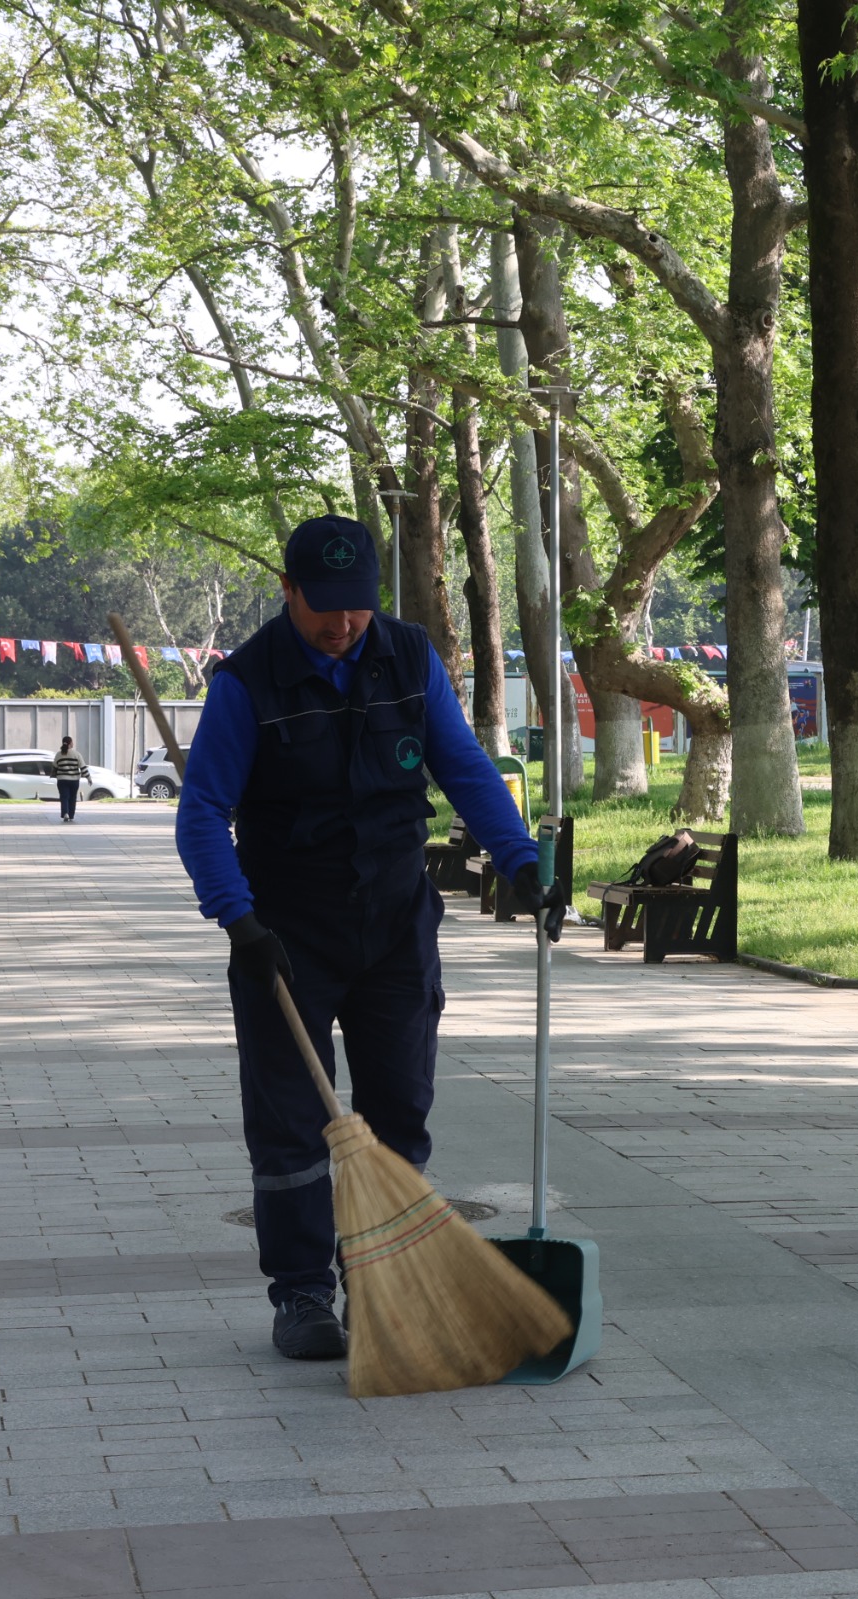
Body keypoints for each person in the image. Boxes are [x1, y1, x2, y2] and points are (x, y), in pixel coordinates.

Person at [175, 514, 561, 1360]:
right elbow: (202, 810)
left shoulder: (408, 656)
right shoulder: (248, 681)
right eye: (323, 608)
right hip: (284, 931)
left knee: (399, 1115)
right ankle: (303, 1293)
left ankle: (384, 1284)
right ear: (288, 591)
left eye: (356, 607)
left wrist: (521, 860)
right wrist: (236, 917)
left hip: (394, 919)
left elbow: (462, 766)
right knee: (293, 1125)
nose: (342, 625)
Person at [53, 737, 88, 822]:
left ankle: (65, 813)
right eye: (72, 742)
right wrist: (88, 778)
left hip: (62, 780)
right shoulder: (77, 754)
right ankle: (71, 815)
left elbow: (55, 766)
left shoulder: (58, 754)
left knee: (64, 797)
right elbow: (83, 767)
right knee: (72, 797)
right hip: (74, 780)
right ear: (70, 743)